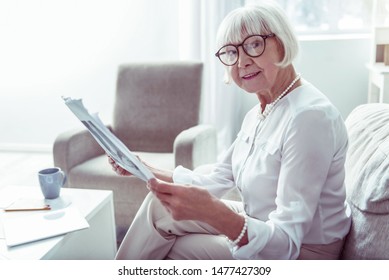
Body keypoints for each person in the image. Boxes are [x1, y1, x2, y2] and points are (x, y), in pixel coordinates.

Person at [109, 1, 351, 260]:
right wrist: (143, 167)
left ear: (282, 43)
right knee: (159, 207)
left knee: (169, 250)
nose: (243, 61)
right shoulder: (259, 112)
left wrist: (215, 213)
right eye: (231, 52)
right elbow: (217, 179)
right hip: (259, 222)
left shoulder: (308, 118)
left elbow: (287, 243)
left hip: (303, 252)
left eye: (254, 44)